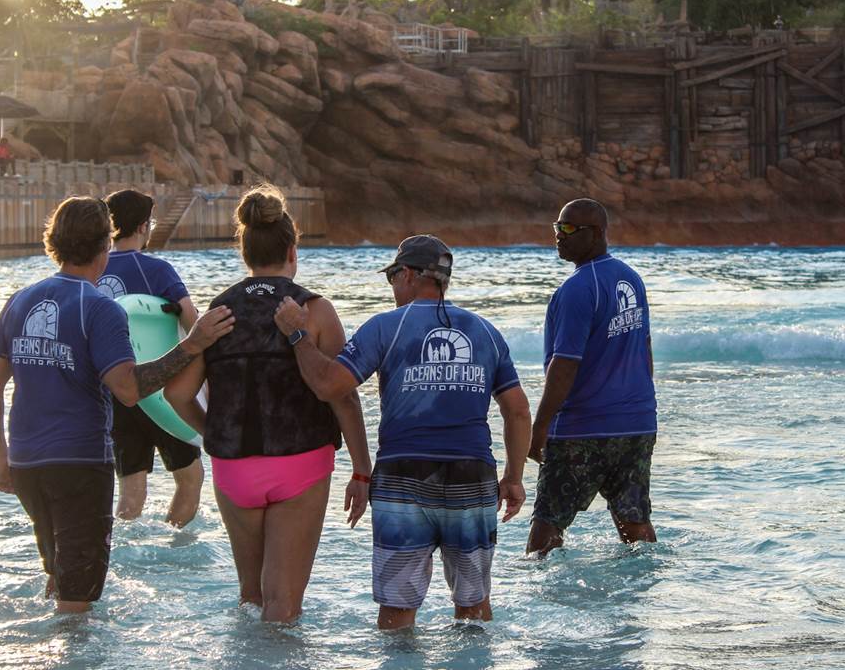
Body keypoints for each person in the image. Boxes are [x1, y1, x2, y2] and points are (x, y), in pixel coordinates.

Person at [0, 196, 235, 614]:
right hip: (78, 466)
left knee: (58, 575)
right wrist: (192, 346)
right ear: (103, 244)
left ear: (53, 242)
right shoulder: (101, 309)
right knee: (77, 604)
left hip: (26, 464)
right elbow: (128, 389)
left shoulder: (19, 300)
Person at [271, 234, 531, 630]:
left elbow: (328, 385)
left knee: (397, 613)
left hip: (403, 478)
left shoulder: (385, 327)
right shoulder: (486, 332)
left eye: (392, 276)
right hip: (471, 476)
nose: (392, 286)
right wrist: (513, 477)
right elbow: (518, 411)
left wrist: (297, 335)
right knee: (474, 609)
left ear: (407, 274)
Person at [162, 184, 372, 623]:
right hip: (300, 462)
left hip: (233, 468)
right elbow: (343, 396)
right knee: (283, 605)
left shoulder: (218, 312)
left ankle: (243, 654)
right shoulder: (314, 310)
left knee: (251, 597)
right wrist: (361, 470)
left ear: (245, 251)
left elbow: (176, 394)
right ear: (293, 250)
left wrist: (212, 431)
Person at [526, 198, 658, 558]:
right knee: (634, 524)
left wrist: (540, 427)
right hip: (636, 426)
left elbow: (565, 364)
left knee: (546, 529)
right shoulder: (632, 279)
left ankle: (536, 588)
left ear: (596, 233)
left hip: (583, 429)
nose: (559, 235)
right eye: (558, 227)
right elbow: (644, 348)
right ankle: (649, 588)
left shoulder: (577, 289)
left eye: (569, 228)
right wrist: (642, 406)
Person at [97, 189, 203, 527]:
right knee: (190, 477)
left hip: (116, 393)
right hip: (159, 388)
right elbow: (192, 322)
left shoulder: (93, 270)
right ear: (144, 226)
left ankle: (121, 548)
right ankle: (175, 545)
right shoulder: (156, 270)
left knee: (131, 491)